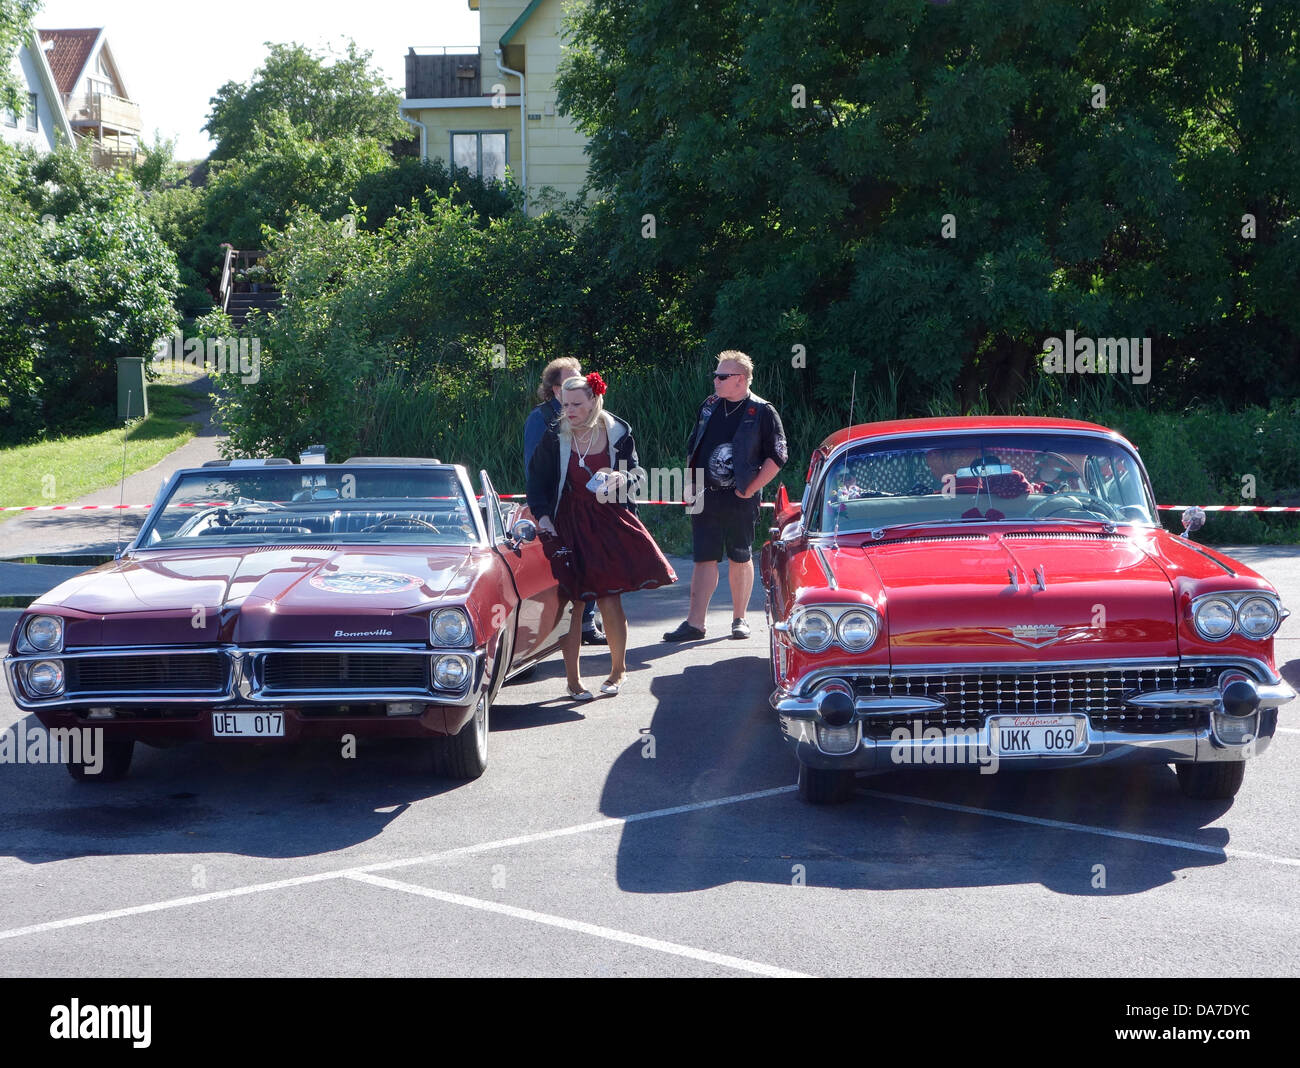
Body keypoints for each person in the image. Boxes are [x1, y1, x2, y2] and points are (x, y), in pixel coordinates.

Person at [527, 372, 677, 699]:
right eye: (565, 404)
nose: (569, 410)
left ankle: (617, 671)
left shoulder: (618, 432)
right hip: (567, 522)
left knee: (609, 599)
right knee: (574, 603)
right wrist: (543, 518)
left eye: (577, 404)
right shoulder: (554, 436)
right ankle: (573, 681)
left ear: (594, 400)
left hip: (607, 519)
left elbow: (636, 473)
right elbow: (536, 481)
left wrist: (621, 478)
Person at [662, 350, 787, 642]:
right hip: (705, 495)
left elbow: (778, 456)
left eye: (721, 376)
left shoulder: (762, 411)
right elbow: (694, 446)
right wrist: (689, 481)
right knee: (703, 558)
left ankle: (739, 619)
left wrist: (752, 489)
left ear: (740, 380)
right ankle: (695, 623)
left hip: (739, 497)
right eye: (716, 376)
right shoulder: (709, 406)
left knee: (739, 556)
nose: (715, 381)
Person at [524, 358, 605, 646]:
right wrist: (543, 511)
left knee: (592, 565)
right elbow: (534, 468)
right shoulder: (541, 418)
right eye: (568, 381)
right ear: (555, 389)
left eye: (579, 379)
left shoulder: (599, 419)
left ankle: (586, 625)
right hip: (558, 508)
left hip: (592, 508)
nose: (575, 385)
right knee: (563, 570)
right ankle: (559, 630)